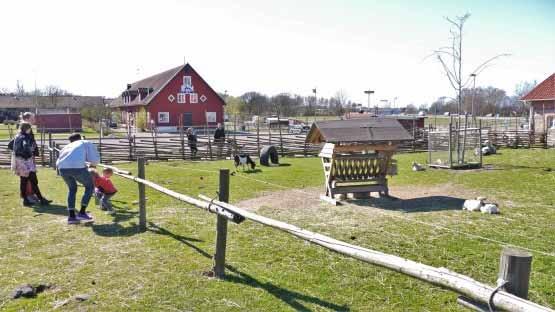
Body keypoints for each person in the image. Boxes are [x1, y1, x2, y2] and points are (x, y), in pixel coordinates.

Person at [56, 133, 100, 224]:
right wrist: (93, 165)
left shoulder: (67, 146)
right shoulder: (85, 142)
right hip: (77, 168)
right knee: (90, 187)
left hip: (62, 169)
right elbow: (94, 159)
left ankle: (71, 216)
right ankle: (82, 212)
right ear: (80, 138)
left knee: (72, 189)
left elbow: (59, 160)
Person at [9, 122, 51, 206]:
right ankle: (41, 199)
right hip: (26, 161)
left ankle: (26, 200)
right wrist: (30, 150)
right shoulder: (25, 137)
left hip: (20, 161)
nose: (30, 130)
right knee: (33, 180)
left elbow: (10, 145)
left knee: (24, 181)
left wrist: (17, 152)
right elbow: (26, 146)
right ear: (27, 128)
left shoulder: (17, 136)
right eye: (29, 128)